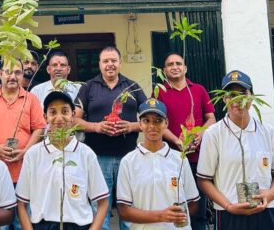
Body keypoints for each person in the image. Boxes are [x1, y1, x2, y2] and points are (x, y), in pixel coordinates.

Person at [196, 70, 274, 230]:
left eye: (243, 93)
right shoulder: (214, 134)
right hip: (229, 213)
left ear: (252, 96)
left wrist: (270, 194)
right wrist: (228, 206)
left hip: (266, 210)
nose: (238, 100)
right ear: (224, 98)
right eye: (231, 95)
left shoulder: (268, 132)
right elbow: (204, 180)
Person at [75, 46, 148, 230]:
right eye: (105, 61)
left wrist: (131, 126)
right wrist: (96, 127)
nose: (110, 64)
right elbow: (73, 120)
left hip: (129, 157)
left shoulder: (132, 87)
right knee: (100, 205)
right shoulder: (88, 87)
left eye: (113, 60)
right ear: (99, 64)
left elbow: (151, 119)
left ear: (120, 63)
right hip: (98, 157)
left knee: (129, 204)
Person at [16, 89, 109, 230]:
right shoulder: (33, 155)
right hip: (43, 226)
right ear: (45, 117)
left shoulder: (86, 154)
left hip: (78, 226)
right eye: (53, 112)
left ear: (73, 115)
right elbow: (22, 204)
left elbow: (103, 202)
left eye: (65, 111)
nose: (59, 118)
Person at [0, 61, 46, 230]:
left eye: (17, 72)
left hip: (23, 172)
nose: (13, 76)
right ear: (0, 74)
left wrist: (26, 151)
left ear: (22, 75)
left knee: (22, 222)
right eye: (8, 72)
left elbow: (39, 128)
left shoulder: (31, 99)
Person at [116, 98, 200, 230]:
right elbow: (124, 211)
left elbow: (193, 203)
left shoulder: (180, 159)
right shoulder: (128, 161)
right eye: (146, 121)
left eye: (158, 120)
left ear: (166, 123)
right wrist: (162, 216)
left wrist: (177, 218)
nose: (152, 126)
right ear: (140, 124)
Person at [157, 53, 215, 230]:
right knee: (172, 203)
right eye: (170, 64)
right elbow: (158, 123)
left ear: (185, 68)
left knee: (198, 207)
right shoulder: (160, 91)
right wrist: (177, 141)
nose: (175, 67)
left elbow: (211, 118)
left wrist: (200, 134)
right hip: (171, 158)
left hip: (197, 157)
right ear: (164, 70)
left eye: (178, 63)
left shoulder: (198, 89)